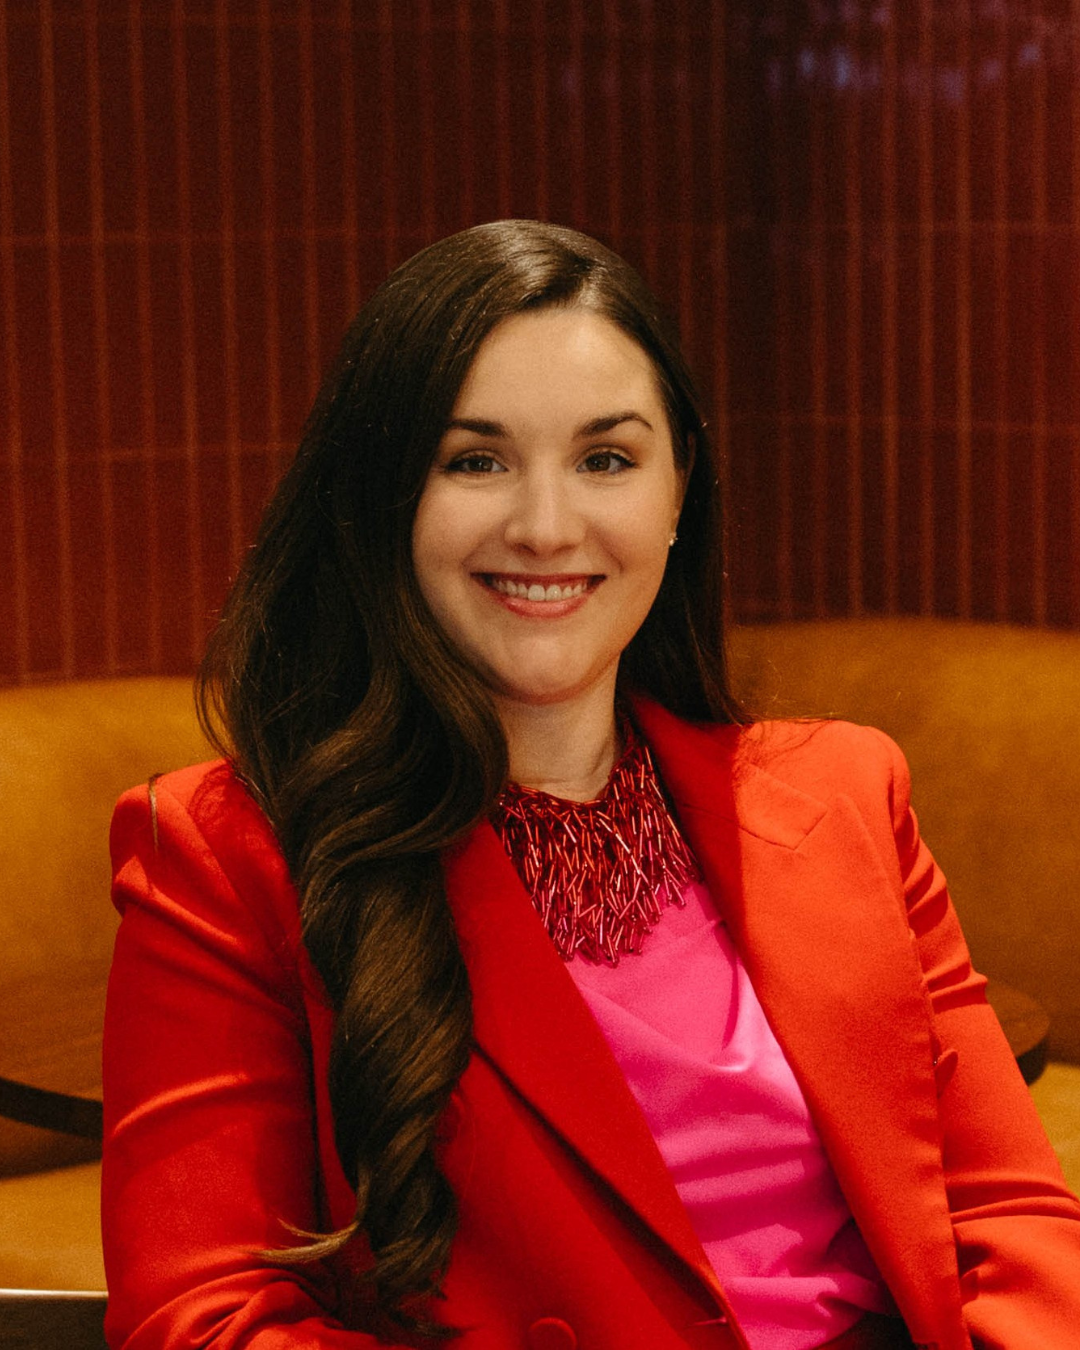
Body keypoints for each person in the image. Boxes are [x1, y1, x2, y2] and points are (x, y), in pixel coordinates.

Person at [102, 220, 1080, 1350]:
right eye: (475, 461)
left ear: (678, 492)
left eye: (606, 460)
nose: (547, 526)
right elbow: (203, 1322)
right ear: (379, 500)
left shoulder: (851, 790)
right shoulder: (222, 855)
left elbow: (1009, 1220)